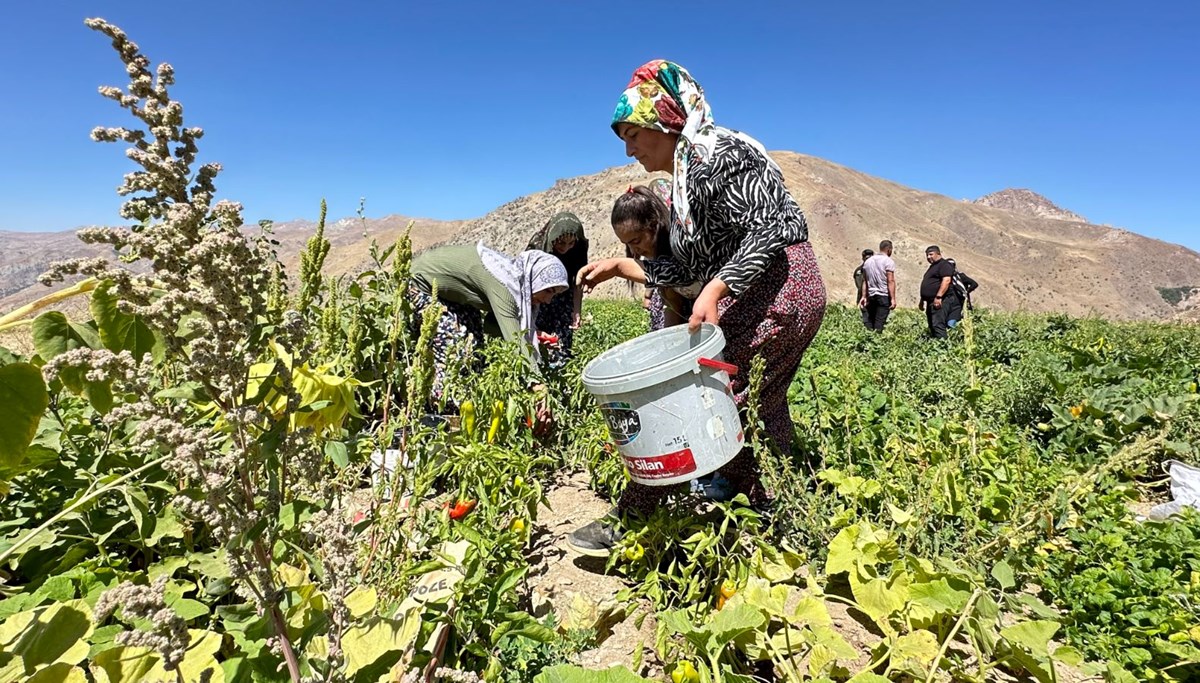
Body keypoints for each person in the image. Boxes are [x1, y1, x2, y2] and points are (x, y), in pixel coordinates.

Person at [567, 59, 827, 556]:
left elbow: (775, 226)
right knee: (757, 400)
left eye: (634, 133)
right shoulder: (686, 177)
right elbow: (690, 269)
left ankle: (641, 511)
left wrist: (716, 289)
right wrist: (622, 269)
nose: (629, 148)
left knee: (706, 391)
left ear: (664, 119)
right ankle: (782, 507)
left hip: (779, 285)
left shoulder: (717, 153)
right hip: (776, 287)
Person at [409, 242, 568, 409]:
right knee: (455, 350)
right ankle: (436, 408)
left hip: (454, 297)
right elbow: (516, 343)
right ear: (534, 279)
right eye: (548, 291)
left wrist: (535, 335)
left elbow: (491, 326)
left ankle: (465, 404)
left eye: (554, 294)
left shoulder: (517, 282)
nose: (548, 300)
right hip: (420, 283)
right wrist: (538, 387)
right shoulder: (505, 286)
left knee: (475, 351)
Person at [613, 182, 697, 330]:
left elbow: (673, 306)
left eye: (636, 241)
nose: (634, 251)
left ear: (653, 225)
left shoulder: (679, 251)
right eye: (627, 244)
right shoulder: (653, 249)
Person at [526, 212, 588, 366]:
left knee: (561, 343)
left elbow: (578, 280)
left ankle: (559, 374)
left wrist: (576, 310)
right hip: (539, 296)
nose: (565, 248)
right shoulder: (538, 245)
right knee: (537, 339)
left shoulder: (579, 249)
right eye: (560, 243)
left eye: (570, 243)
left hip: (563, 298)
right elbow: (526, 283)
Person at [918, 245, 962, 339]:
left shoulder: (944, 265)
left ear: (938, 253)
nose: (928, 257)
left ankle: (943, 347)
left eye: (931, 254)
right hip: (930, 301)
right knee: (932, 325)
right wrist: (922, 300)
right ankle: (935, 346)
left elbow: (946, 281)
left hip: (941, 300)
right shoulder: (933, 267)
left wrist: (938, 297)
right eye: (927, 255)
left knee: (938, 324)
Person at [859, 240, 897, 332]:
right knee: (879, 323)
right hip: (883, 296)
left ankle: (869, 341)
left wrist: (864, 296)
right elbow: (890, 280)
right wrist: (893, 298)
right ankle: (876, 341)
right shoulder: (888, 261)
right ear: (889, 250)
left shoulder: (868, 262)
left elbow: (865, 281)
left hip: (871, 295)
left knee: (871, 321)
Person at [853, 248, 873, 327]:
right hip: (863, 298)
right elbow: (859, 285)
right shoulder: (859, 271)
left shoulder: (875, 270)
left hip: (873, 297)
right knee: (865, 319)